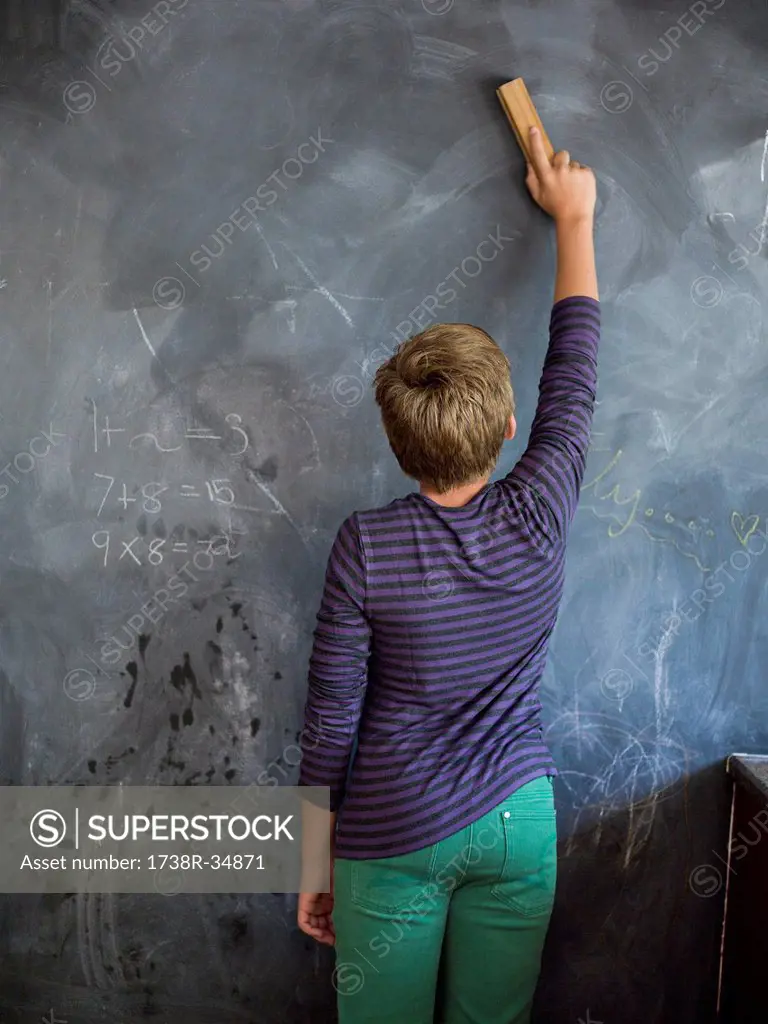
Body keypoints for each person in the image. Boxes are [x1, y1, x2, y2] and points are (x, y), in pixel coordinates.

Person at [297, 125, 600, 1024]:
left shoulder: (365, 545)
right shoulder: (542, 505)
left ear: (396, 447)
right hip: (518, 822)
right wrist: (575, 219)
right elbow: (576, 373)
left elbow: (327, 725)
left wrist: (313, 869)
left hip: (391, 831)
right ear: (509, 427)